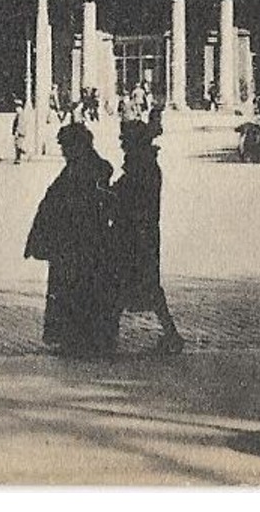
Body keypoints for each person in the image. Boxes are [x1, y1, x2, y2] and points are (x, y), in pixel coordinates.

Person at [24, 122, 118, 357]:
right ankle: (79, 337)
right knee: (76, 289)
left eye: (65, 146)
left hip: (79, 241)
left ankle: (80, 338)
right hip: (73, 241)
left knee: (77, 289)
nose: (63, 151)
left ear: (77, 144)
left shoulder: (85, 168)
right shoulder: (82, 166)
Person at [111, 117, 183, 353]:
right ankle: (170, 333)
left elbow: (127, 198)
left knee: (123, 283)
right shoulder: (144, 166)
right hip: (143, 234)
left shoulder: (141, 169)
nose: (122, 146)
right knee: (145, 286)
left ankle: (108, 335)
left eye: (125, 142)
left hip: (135, 236)